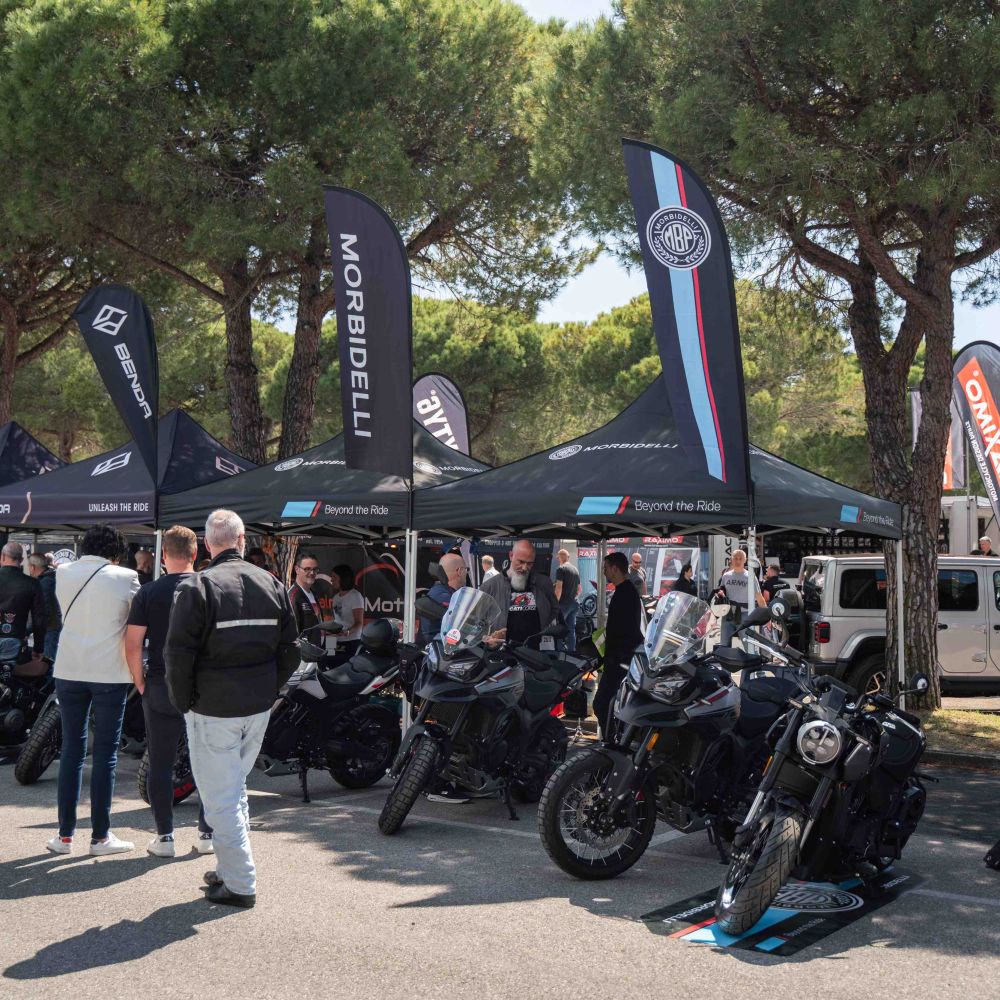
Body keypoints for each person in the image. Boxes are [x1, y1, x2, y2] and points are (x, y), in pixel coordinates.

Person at [165, 509, 298, 909]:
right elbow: (291, 650)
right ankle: (228, 869)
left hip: (213, 708)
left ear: (207, 545)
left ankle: (240, 882)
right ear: (242, 541)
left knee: (220, 797)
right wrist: (269, 689)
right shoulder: (272, 583)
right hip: (255, 705)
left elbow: (177, 655)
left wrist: (184, 702)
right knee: (233, 788)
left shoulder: (198, 586)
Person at [46, 524, 139, 856]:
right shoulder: (126, 577)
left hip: (69, 668)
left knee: (71, 751)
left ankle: (64, 836)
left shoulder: (63, 573)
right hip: (109, 671)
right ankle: (100, 837)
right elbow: (135, 621)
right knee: (105, 754)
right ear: (115, 551)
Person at [125, 525, 213, 859]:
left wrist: (140, 682)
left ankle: (164, 838)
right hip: (202, 687)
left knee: (160, 763)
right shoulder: (209, 588)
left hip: (160, 685)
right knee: (207, 763)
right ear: (196, 553)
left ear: (163, 555)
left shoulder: (148, 592)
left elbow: (133, 644)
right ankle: (206, 834)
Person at [593, 551, 644, 740]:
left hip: (621, 659)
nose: (604, 572)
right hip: (618, 658)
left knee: (602, 703)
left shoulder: (626, 593)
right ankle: (614, 738)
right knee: (607, 703)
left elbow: (624, 630)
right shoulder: (625, 591)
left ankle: (612, 740)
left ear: (615, 568)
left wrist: (613, 656)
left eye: (606, 568)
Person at [480, 538, 560, 651]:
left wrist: (542, 626)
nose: (524, 568)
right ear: (511, 555)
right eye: (521, 562)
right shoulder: (490, 586)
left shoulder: (543, 583)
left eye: (530, 563)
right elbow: (477, 622)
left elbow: (554, 609)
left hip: (533, 652)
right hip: (501, 652)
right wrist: (487, 639)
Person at [0, 542, 46, 665]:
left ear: (2, 557)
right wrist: (38, 648)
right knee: (11, 674)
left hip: (14, 641)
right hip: (15, 641)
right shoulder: (32, 583)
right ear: (21, 560)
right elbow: (39, 619)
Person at [419, 553, 467, 645]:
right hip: (440, 649)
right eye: (466, 569)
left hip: (445, 647)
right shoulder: (443, 596)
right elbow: (460, 624)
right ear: (460, 571)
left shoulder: (443, 592)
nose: (466, 573)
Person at [287, 551, 335, 643]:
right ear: (297, 569)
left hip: (318, 648)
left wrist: (330, 645)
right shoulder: (293, 596)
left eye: (315, 569)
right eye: (307, 569)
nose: (312, 573)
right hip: (304, 651)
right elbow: (291, 633)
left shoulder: (313, 593)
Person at [27, 552, 61, 661]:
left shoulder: (45, 583)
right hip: (51, 627)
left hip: (50, 628)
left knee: (47, 662)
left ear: (33, 567)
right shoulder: (48, 579)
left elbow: (42, 610)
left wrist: (28, 630)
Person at [715, 549, 750, 646]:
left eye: (740, 558)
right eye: (735, 558)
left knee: (748, 645)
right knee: (724, 645)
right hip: (727, 614)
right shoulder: (726, 576)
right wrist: (720, 594)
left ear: (745, 560)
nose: (738, 561)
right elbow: (722, 591)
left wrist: (766, 618)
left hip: (744, 614)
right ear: (731, 560)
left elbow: (759, 597)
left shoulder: (750, 577)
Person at [330, 564, 365, 657]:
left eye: (334, 577)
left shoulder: (355, 596)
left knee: (344, 664)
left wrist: (347, 632)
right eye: (331, 576)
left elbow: (359, 623)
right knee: (327, 661)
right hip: (333, 639)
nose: (331, 580)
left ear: (343, 579)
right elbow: (335, 620)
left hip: (350, 641)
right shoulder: (335, 597)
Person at [553, 548, 581, 653]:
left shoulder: (561, 569)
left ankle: (559, 653)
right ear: (568, 557)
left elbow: (558, 589)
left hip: (564, 604)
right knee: (571, 629)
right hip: (574, 603)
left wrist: (555, 604)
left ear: (559, 557)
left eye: (558, 557)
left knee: (560, 629)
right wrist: (572, 597)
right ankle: (571, 652)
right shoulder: (575, 569)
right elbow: (579, 589)